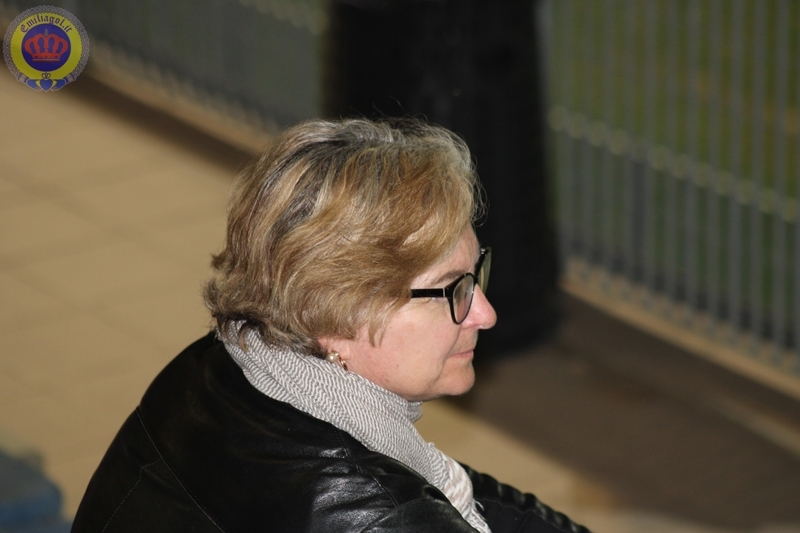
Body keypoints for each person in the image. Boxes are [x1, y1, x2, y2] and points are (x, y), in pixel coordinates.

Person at [72, 118, 590, 533]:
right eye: (452, 289)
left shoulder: (213, 369)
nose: (485, 313)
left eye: (476, 274)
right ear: (335, 311)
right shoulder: (374, 516)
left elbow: (478, 499)